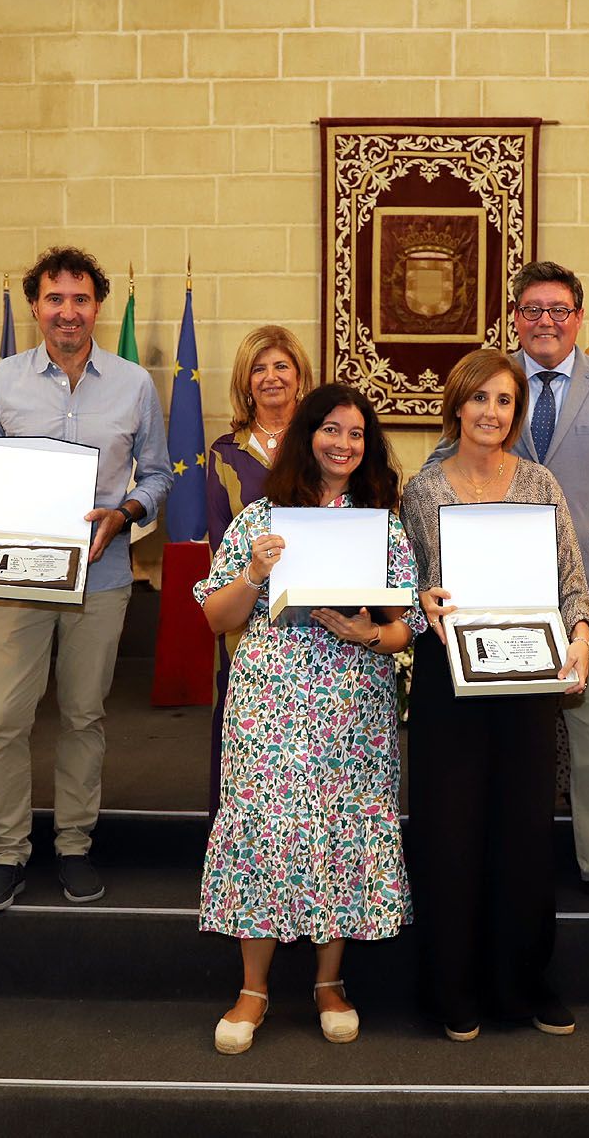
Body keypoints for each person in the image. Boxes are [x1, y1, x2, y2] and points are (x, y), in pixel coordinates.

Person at [426, 261, 589, 912]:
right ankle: (504, 856)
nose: (546, 321)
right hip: (493, 599)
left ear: (580, 318)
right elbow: (442, 467)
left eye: (559, 309)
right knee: (506, 737)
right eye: (533, 309)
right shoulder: (490, 383)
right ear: (516, 317)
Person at [195, 383, 421, 1055]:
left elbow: (408, 624)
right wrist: (254, 574)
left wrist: (368, 635)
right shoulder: (262, 518)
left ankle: (329, 981)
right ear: (307, 434)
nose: (343, 443)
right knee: (265, 828)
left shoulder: (381, 521)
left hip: (354, 701)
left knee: (342, 827)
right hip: (269, 701)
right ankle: (254, 988)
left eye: (355, 433)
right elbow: (216, 617)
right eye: (331, 429)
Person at [0, 245, 174, 912]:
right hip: (17, 574)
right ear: (35, 306)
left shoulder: (134, 384)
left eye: (80, 299)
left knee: (84, 714)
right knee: (5, 715)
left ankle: (75, 844)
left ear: (97, 307)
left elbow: (159, 475)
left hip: (101, 573)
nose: (68, 312)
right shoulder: (0, 381)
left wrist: (127, 512)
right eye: (55, 299)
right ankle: (7, 850)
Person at [405, 349, 589, 1040]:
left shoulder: (541, 483)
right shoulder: (422, 490)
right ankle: (450, 988)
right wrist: (415, 600)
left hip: (526, 683)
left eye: (505, 400)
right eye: (479, 398)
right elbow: (408, 584)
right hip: (449, 686)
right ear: (457, 404)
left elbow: (571, 579)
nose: (492, 411)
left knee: (521, 836)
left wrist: (579, 637)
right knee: (448, 835)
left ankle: (521, 984)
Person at [204, 325, 314, 812]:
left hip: (317, 619)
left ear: (300, 375)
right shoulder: (225, 453)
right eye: (259, 368)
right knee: (246, 741)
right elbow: (219, 539)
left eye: (281, 366)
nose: (271, 377)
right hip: (247, 625)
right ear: (246, 382)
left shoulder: (323, 442)